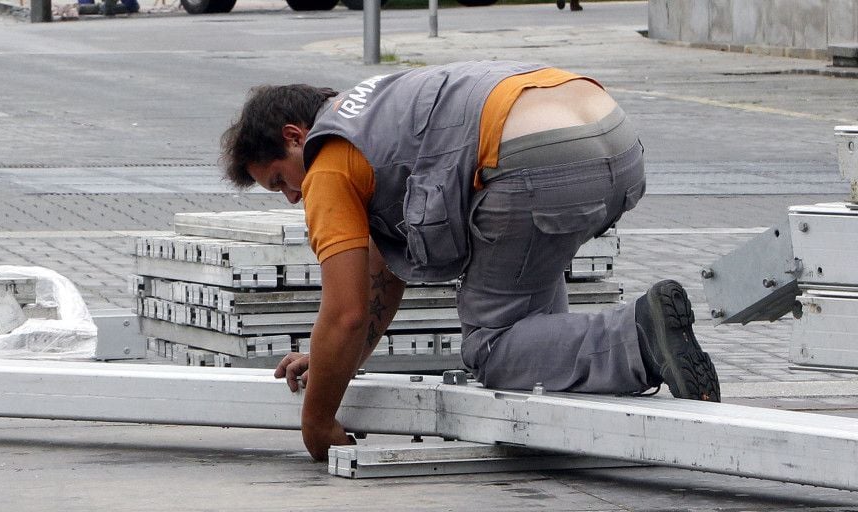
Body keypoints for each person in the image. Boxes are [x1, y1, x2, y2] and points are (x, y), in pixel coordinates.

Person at [219, 61, 720, 461]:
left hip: (536, 159)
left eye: (281, 181)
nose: (290, 197)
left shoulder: (327, 162)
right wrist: (333, 365)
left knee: (493, 347)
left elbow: (346, 311)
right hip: (612, 135)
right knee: (529, 324)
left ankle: (641, 339)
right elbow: (379, 280)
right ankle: (622, 358)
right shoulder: (373, 111)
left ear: (293, 136)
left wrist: (317, 422)